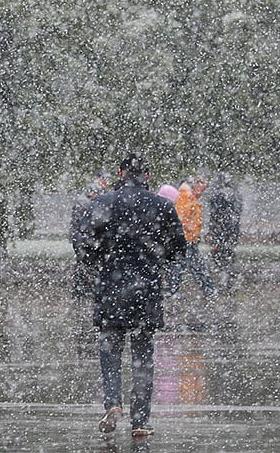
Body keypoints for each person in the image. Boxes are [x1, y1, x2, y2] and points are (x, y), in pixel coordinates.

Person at [77, 153, 185, 438]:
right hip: (146, 289)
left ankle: (113, 402)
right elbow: (178, 248)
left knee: (110, 350)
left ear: (120, 172)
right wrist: (155, 257)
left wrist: (101, 263)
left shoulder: (102, 203)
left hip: (110, 287)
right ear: (147, 176)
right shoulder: (161, 206)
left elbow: (84, 246)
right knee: (143, 355)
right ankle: (140, 420)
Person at [169, 176, 216, 296]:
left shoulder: (189, 196)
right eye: (202, 188)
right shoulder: (186, 196)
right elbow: (181, 218)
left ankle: (173, 290)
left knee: (181, 265)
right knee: (195, 266)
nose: (202, 192)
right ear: (196, 185)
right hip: (187, 239)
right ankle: (208, 289)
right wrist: (191, 232)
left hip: (188, 239)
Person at [70, 171, 111, 298]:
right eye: (104, 179)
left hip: (87, 240)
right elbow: (81, 225)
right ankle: (83, 291)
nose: (106, 182)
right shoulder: (88, 202)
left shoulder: (89, 200)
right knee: (86, 266)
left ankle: (83, 291)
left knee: (86, 267)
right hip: (86, 240)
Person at [205, 172, 244, 289]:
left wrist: (212, 230)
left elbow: (214, 215)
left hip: (220, 231)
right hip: (232, 231)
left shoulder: (217, 196)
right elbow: (238, 213)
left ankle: (222, 279)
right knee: (229, 255)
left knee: (218, 255)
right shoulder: (236, 195)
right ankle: (230, 280)